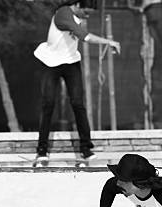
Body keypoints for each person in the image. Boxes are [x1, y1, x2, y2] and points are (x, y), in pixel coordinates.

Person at [33, 0, 121, 166]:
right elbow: (84, 37)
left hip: (71, 62)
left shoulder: (75, 16)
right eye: (86, 13)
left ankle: (86, 150)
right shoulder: (63, 13)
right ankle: (42, 151)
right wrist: (109, 42)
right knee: (48, 103)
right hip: (50, 62)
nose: (86, 17)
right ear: (78, 5)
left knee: (78, 103)